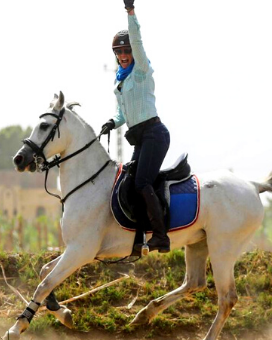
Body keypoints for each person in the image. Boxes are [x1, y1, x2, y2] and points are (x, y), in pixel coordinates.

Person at [101, 0, 171, 253]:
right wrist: (113, 122)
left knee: (142, 182)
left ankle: (161, 236)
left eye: (126, 51)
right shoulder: (118, 81)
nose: (123, 55)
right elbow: (122, 112)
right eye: (118, 52)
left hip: (155, 134)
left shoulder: (141, 70)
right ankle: (140, 237)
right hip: (141, 139)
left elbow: (138, 41)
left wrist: (130, 12)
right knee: (130, 182)